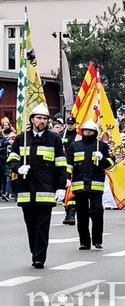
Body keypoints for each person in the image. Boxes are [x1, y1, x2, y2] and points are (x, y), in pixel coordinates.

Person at [7, 104, 68, 268]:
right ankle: (35, 251)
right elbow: (11, 159)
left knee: (43, 225)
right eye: (39, 118)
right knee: (31, 225)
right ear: (32, 119)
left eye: (44, 118)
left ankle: (39, 257)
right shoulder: (21, 138)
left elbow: (60, 164)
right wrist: (18, 167)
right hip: (26, 190)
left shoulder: (54, 139)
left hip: (45, 190)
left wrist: (61, 186)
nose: (41, 121)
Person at [68, 120, 113, 249]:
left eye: (90, 130)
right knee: (81, 215)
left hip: (96, 185)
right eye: (86, 130)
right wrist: (65, 178)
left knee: (97, 211)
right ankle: (84, 242)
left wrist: (102, 159)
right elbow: (69, 164)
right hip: (79, 185)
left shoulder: (102, 146)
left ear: (95, 132)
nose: (88, 132)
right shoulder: (74, 146)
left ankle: (97, 240)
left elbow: (111, 163)